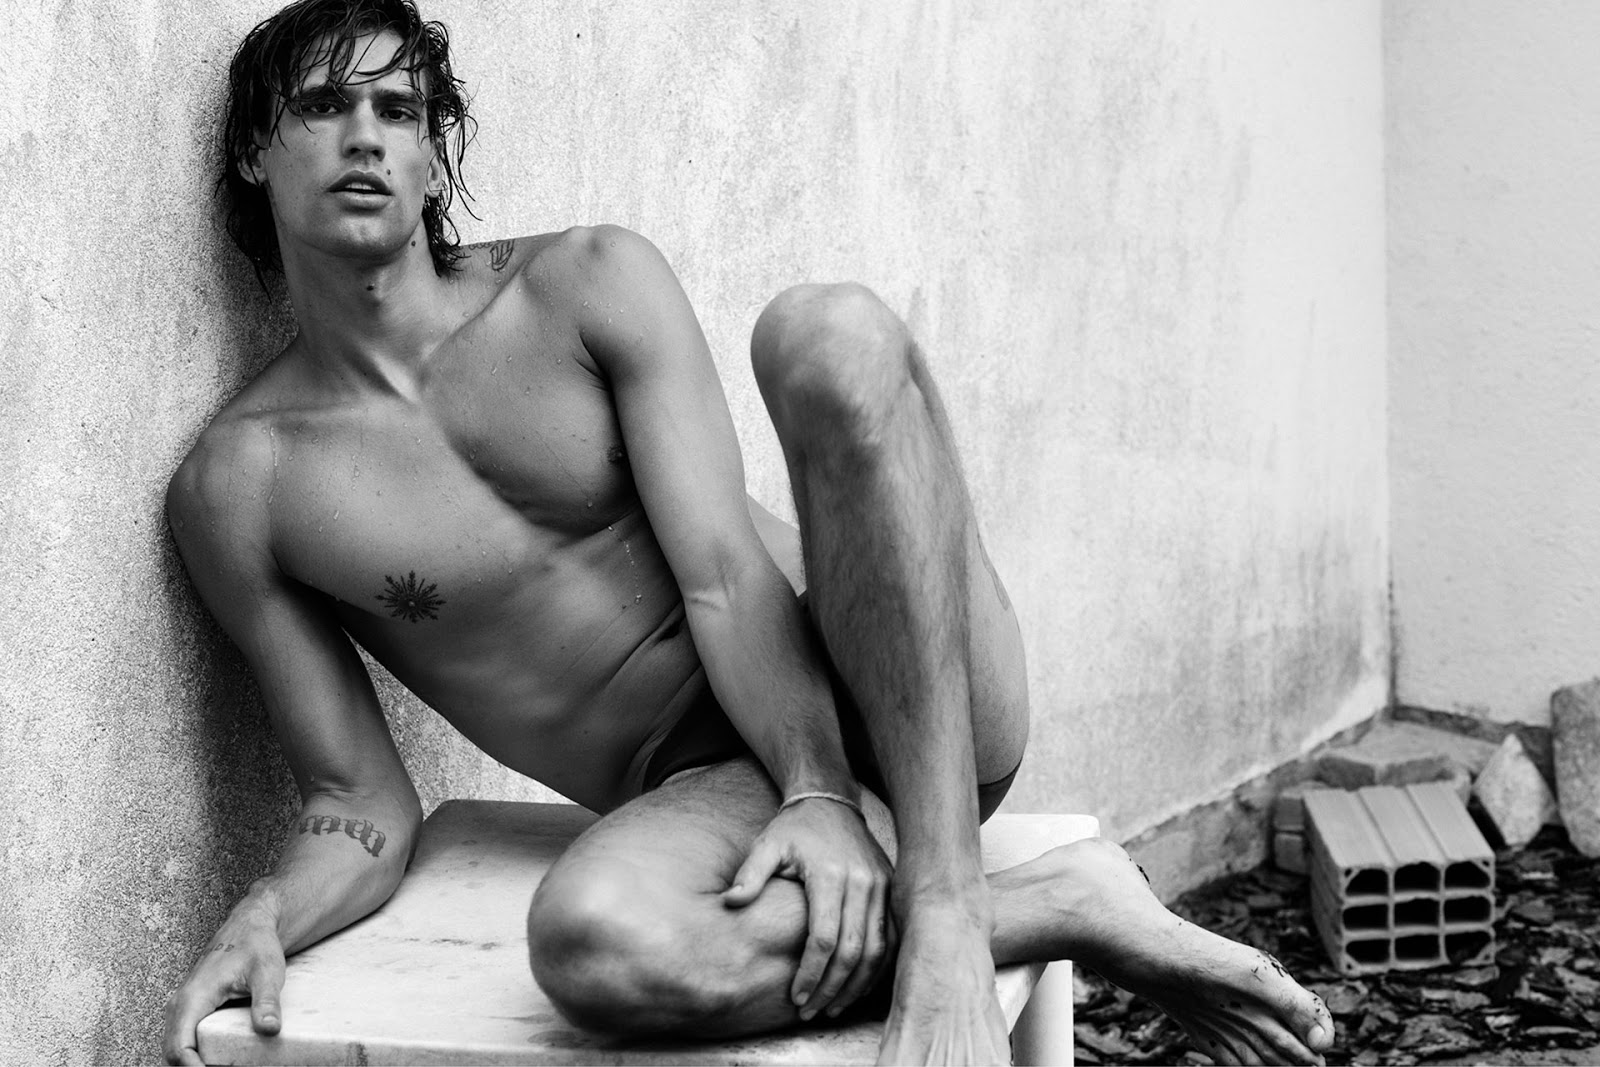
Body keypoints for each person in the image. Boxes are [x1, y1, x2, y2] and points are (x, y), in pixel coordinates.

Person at [160, 1, 1337, 1064]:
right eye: (325, 105)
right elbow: (358, 799)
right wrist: (268, 907)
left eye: (398, 110)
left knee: (829, 336)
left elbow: (723, 574)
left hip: (900, 697)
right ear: (256, 150)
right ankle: (1059, 903)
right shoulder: (245, 485)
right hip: (702, 790)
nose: (365, 137)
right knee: (591, 942)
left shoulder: (585, 284)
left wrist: (819, 792)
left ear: (434, 156)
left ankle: (943, 901)